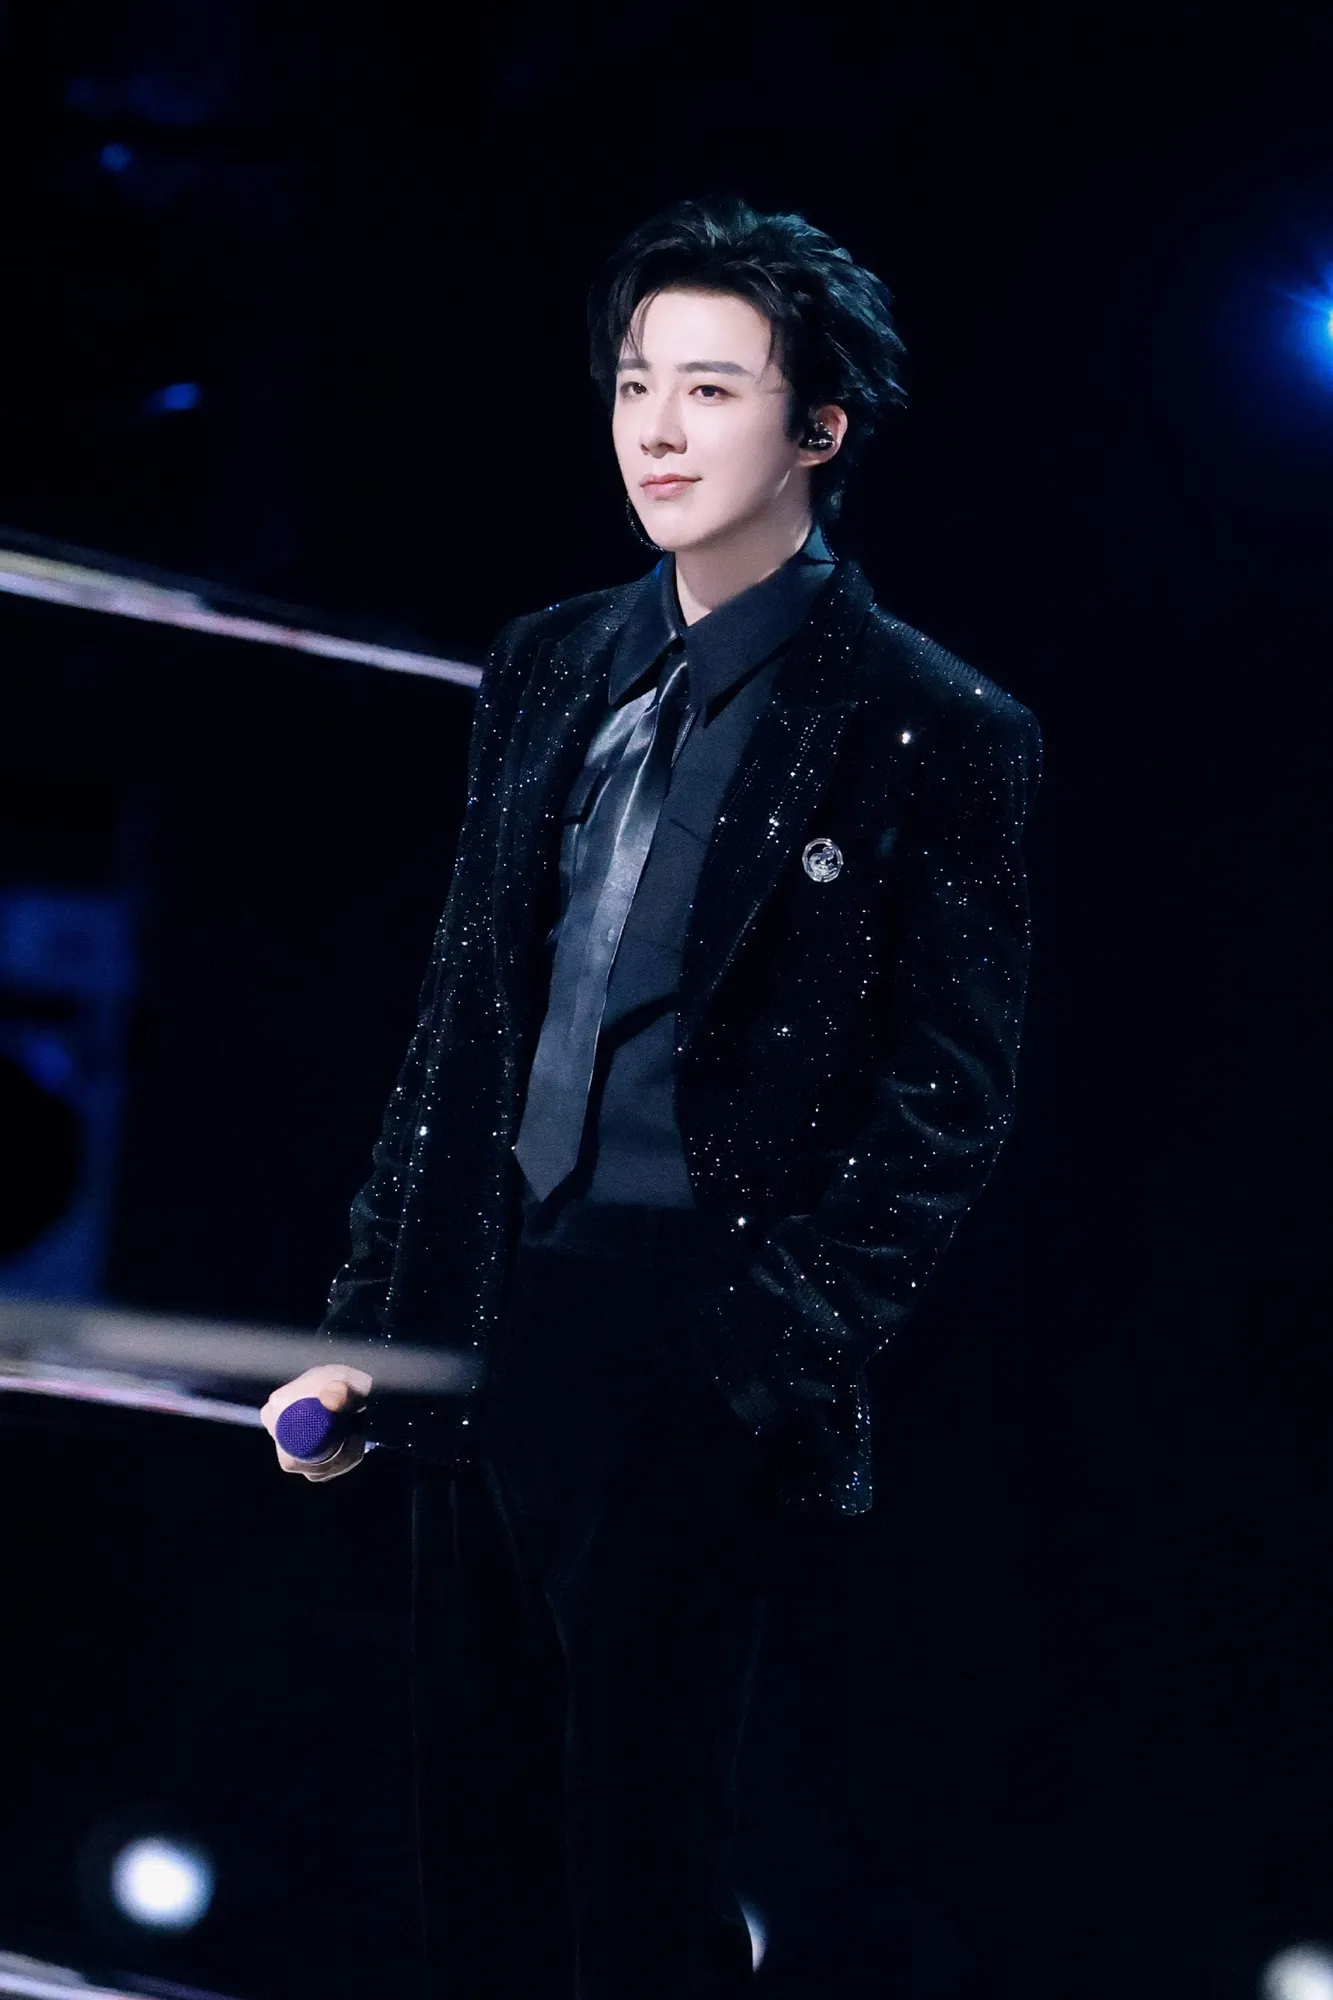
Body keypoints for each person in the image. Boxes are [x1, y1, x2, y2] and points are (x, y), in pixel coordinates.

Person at [260, 193, 1043, 1998]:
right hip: (484, 1305)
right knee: (476, 1862)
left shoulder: (934, 725)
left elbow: (949, 1101)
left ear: (819, 427)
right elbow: (458, 1019)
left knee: (641, 1869)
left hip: (688, 1327)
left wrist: (765, 1353)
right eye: (634, 386)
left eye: (711, 389)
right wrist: (369, 1326)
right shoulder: (551, 662)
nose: (658, 433)